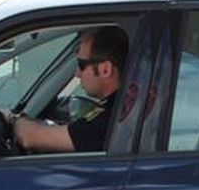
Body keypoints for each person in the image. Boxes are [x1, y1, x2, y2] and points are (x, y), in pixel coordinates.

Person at [12, 25, 127, 154]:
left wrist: (14, 120)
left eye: (81, 65)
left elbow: (29, 137)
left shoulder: (110, 118)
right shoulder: (123, 107)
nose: (77, 74)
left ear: (105, 69)